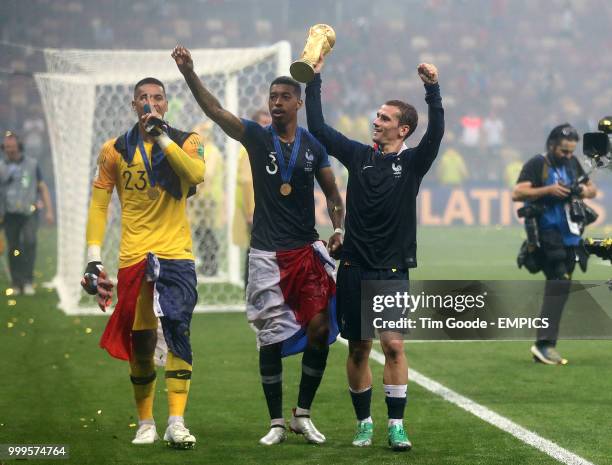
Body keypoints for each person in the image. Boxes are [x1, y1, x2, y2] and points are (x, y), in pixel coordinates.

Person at [172, 45, 344, 446]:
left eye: (285, 97)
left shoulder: (313, 146)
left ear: (299, 103)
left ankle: (302, 413)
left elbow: (333, 193)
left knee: (319, 330)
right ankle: (275, 423)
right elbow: (216, 112)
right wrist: (190, 74)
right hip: (266, 253)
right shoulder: (255, 136)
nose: (277, 103)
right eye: (272, 98)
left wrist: (339, 228)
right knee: (269, 337)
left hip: (305, 251)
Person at [306, 55, 444, 451]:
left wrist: (432, 90)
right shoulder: (358, 156)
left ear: (402, 129)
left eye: (384, 118)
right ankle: (364, 422)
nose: (376, 121)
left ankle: (396, 425)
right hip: (352, 265)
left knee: (394, 345)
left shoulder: (415, 162)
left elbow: (436, 132)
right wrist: (314, 79)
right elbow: (317, 127)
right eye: (377, 116)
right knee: (359, 347)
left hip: (391, 268)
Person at [80, 77, 205, 448]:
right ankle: (146, 422)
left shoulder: (187, 141)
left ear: (166, 105)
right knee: (142, 341)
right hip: (135, 255)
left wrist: (162, 136)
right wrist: (92, 258)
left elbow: (196, 174)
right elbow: (100, 205)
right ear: (133, 104)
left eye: (157, 98)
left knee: (179, 331)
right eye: (143, 98)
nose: (150, 103)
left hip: (176, 253)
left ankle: (177, 422)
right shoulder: (114, 150)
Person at [513, 124, 596, 365]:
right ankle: (544, 345)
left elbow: (592, 190)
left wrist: (581, 189)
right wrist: (548, 189)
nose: (569, 156)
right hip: (547, 234)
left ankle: (545, 345)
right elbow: (517, 192)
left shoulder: (572, 164)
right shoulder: (538, 164)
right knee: (558, 284)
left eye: (572, 151)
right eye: (564, 151)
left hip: (571, 236)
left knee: (561, 287)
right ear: (551, 146)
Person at [0, 131, 54, 295]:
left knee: (30, 242)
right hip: (9, 213)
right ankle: (17, 283)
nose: (9, 149)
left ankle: (28, 281)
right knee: (14, 247)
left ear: (19, 145)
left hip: (29, 212)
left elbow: (42, 187)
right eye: (6, 146)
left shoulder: (32, 164)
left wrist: (49, 211)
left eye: (12, 145)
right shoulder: (1, 167)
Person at [232, 110, 272, 289]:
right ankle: (251, 292)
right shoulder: (253, 149)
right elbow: (247, 181)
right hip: (255, 211)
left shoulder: (260, 147)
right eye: (263, 122)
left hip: (258, 209)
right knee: (256, 251)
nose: (267, 126)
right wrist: (250, 212)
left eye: (268, 122)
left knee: (256, 250)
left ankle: (253, 291)